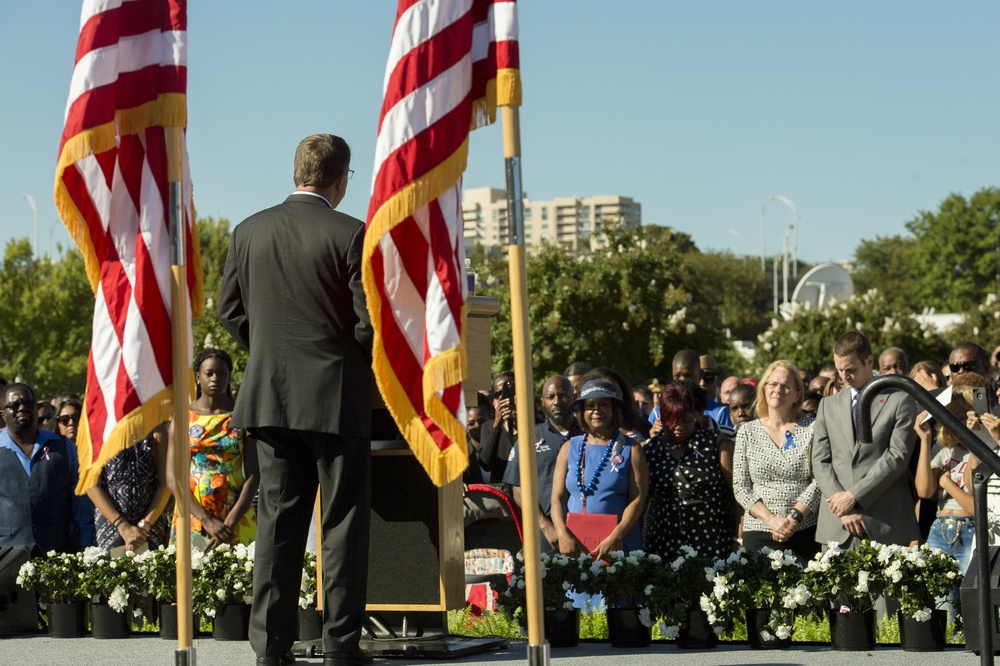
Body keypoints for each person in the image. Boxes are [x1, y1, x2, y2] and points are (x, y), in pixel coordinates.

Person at [219, 133, 373, 666]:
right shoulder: (352, 233)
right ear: (340, 179)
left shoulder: (246, 232)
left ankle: (271, 650)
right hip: (334, 401)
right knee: (342, 528)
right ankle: (340, 647)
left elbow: (231, 312)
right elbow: (367, 323)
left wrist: (267, 354)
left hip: (268, 401)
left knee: (277, 530)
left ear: (297, 172)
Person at [812, 332, 918, 547]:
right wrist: (842, 505)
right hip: (836, 525)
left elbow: (897, 456)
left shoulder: (899, 399)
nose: (844, 376)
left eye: (850, 370)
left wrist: (854, 495)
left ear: (869, 361)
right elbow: (820, 461)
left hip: (885, 522)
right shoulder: (827, 405)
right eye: (839, 370)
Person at [167, 348, 259, 548]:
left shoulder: (243, 416)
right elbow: (173, 477)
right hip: (194, 513)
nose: (215, 378)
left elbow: (254, 475)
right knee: (195, 576)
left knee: (238, 577)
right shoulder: (183, 417)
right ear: (198, 377)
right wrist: (207, 521)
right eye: (209, 373)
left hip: (236, 515)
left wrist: (229, 523)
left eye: (222, 373)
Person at [551, 379, 648, 560]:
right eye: (590, 406)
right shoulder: (568, 448)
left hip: (619, 546)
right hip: (576, 546)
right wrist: (562, 534)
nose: (597, 411)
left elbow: (638, 499)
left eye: (603, 404)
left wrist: (616, 536)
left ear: (614, 409)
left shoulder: (632, 448)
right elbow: (557, 498)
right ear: (582, 412)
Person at [733, 361, 820, 563]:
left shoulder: (813, 428)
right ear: (763, 389)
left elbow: (819, 480)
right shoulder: (747, 431)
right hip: (759, 532)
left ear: (797, 394)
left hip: (803, 531)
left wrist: (793, 520)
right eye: (772, 384)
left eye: (785, 386)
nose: (777, 390)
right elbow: (740, 486)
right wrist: (772, 521)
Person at [643, 382, 735, 561]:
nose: (679, 426)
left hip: (711, 540)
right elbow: (642, 504)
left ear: (696, 415)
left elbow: (737, 495)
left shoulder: (715, 444)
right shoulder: (650, 451)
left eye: (686, 419)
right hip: (662, 542)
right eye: (672, 420)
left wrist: (738, 539)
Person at [503, 375, 582, 553]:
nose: (557, 402)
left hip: (583, 531)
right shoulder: (529, 437)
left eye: (563, 396)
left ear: (573, 398)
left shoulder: (588, 436)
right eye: (550, 397)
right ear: (542, 402)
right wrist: (544, 525)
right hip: (545, 535)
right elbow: (517, 487)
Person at [0, 383, 78, 554]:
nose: (22, 408)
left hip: (59, 553)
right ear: (3, 414)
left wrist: (84, 541)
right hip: (7, 558)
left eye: (28, 403)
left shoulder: (63, 447)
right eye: (14, 405)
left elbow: (79, 499)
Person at [914, 382, 978, 572]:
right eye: (949, 418)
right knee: (942, 601)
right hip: (939, 529)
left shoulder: (983, 450)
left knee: (971, 598)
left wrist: (946, 482)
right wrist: (924, 440)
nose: (954, 425)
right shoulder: (944, 450)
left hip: (971, 530)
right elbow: (924, 490)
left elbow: (976, 506)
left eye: (961, 417)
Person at [88, 423, 172, 551]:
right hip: (111, 521)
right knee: (112, 569)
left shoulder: (156, 430)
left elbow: (165, 483)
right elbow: (91, 486)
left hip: (150, 521)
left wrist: (145, 525)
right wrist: (122, 526)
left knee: (151, 569)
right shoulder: (98, 430)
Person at [478, 372, 518, 483]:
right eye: (498, 395)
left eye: (510, 393)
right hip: (502, 494)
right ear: (494, 401)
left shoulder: (534, 425)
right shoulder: (488, 427)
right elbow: (485, 464)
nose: (504, 398)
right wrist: (497, 426)